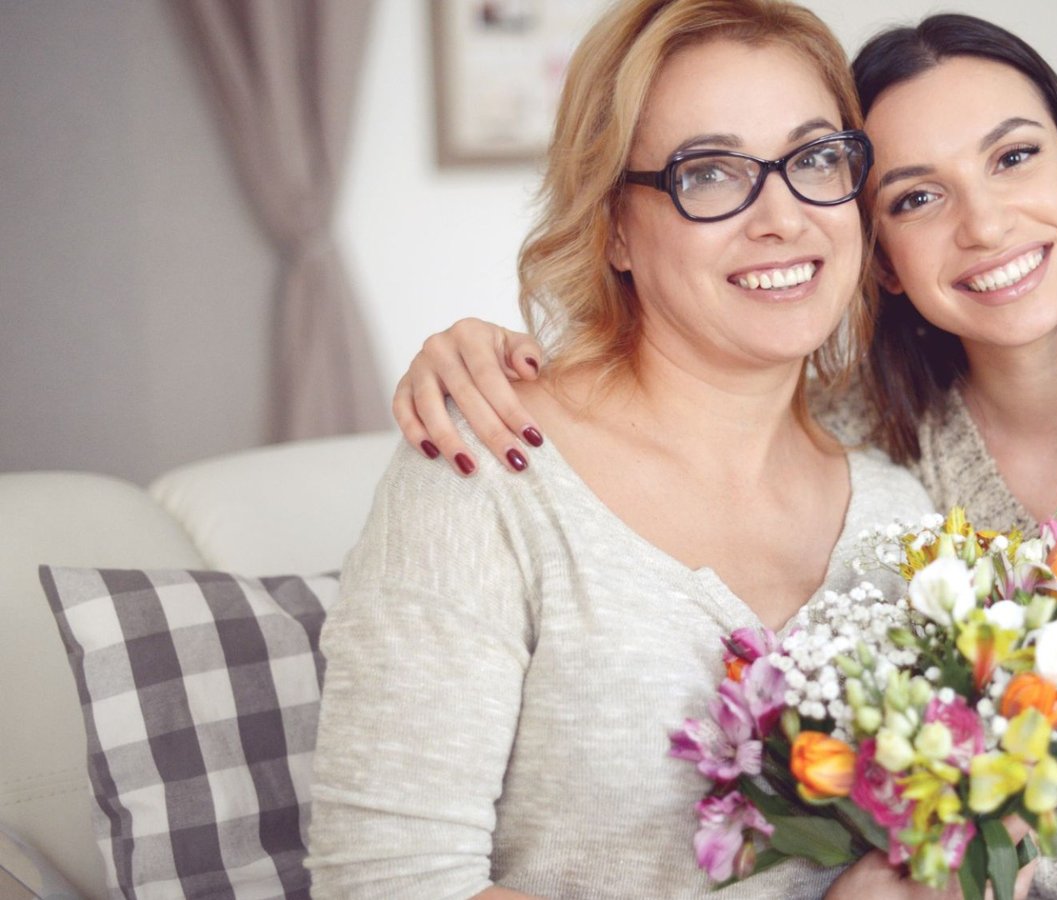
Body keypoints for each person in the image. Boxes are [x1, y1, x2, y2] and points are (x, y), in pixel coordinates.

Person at [388, 10, 1057, 900]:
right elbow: (687, 393)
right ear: (878, 254)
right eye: (916, 197)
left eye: (1014, 157)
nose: (985, 223)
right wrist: (486, 358)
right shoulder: (863, 442)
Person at [302, 1, 953, 897]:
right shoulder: (487, 468)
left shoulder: (902, 521)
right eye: (709, 172)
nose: (783, 217)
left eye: (813, 159)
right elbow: (388, 883)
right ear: (612, 225)